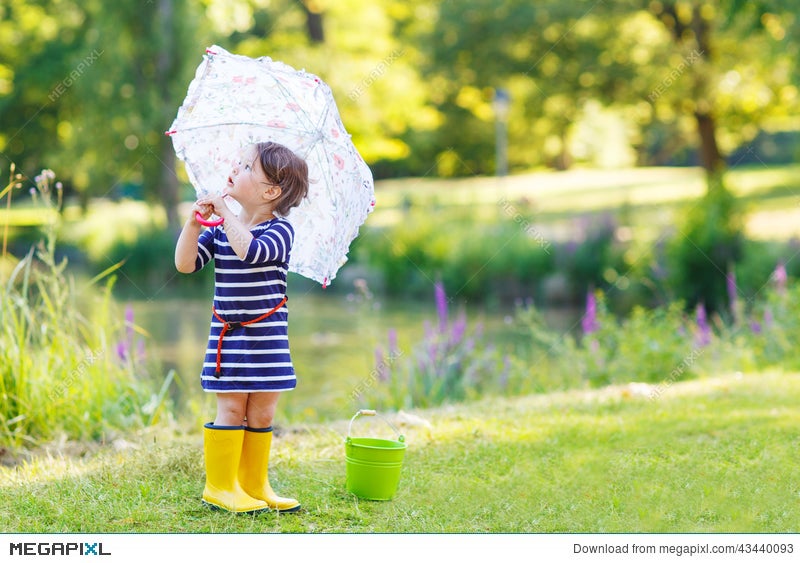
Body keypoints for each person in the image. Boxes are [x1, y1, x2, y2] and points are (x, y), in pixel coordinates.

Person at [174, 141, 309, 514]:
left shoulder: (281, 232)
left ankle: (253, 483)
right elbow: (186, 264)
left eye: (247, 166)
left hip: (267, 342)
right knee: (232, 409)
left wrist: (225, 214)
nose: (236, 167)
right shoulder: (219, 231)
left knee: (263, 413)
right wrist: (193, 222)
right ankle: (220, 486)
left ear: (270, 192)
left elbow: (252, 250)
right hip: (230, 339)